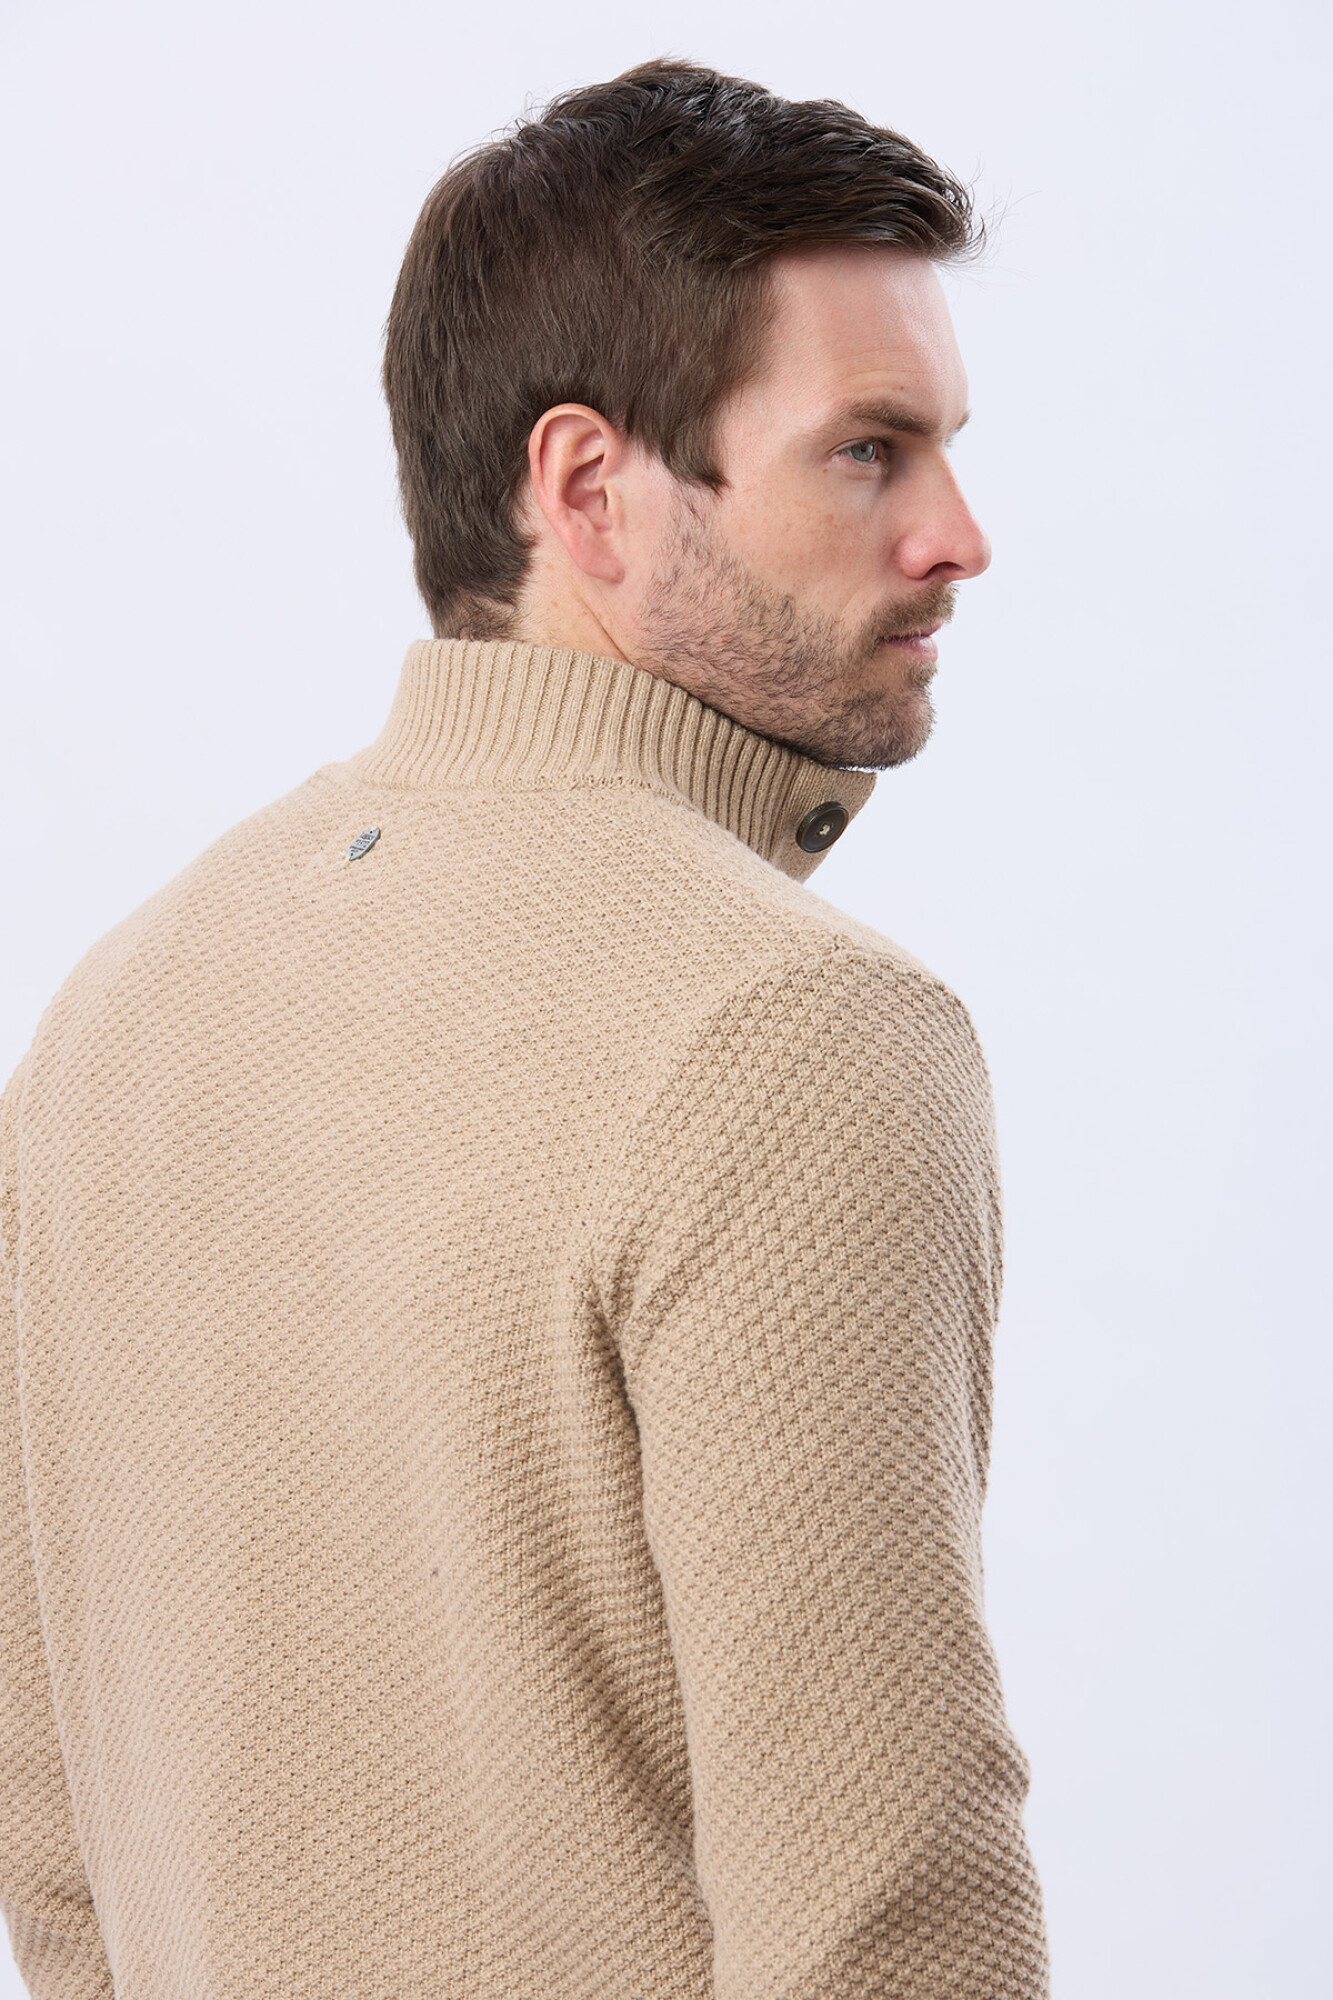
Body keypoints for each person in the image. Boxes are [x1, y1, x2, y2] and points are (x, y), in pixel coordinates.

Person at [0, 57, 1050, 2000]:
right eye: (868, 450)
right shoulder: (790, 1031)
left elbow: (65, 1879)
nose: (957, 534)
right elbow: (884, 1917)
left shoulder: (117, 1014)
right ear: (587, 490)